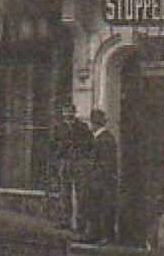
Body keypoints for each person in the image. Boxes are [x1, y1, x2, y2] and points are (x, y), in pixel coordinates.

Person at [50, 102, 93, 232]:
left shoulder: (82, 127)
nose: (67, 114)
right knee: (64, 193)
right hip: (65, 162)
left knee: (81, 194)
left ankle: (81, 224)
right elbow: (52, 145)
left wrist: (82, 155)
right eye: (65, 111)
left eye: (70, 111)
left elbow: (89, 144)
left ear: (74, 112)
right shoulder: (58, 127)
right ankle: (64, 221)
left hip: (78, 163)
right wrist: (59, 154)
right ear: (63, 113)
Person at [83, 108, 118, 245]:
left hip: (102, 181)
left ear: (94, 124)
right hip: (96, 180)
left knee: (104, 209)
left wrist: (95, 175)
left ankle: (106, 237)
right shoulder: (100, 138)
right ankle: (95, 234)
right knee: (94, 208)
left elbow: (106, 163)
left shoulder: (105, 139)